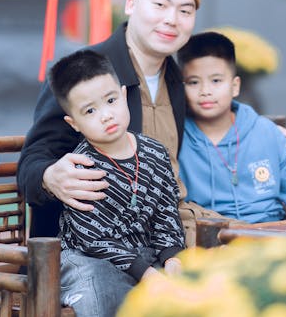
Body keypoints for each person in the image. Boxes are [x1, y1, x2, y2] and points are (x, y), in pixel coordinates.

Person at [17, 0, 286, 242]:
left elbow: (213, 108)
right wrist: (50, 176)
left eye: (185, 11)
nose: (172, 19)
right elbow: (33, 158)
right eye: (160, 5)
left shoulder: (177, 79)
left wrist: (267, 132)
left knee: (267, 249)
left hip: (172, 224)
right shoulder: (83, 74)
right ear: (130, 5)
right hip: (102, 239)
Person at [49, 49, 185, 317]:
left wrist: (172, 257)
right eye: (90, 110)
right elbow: (93, 238)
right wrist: (145, 273)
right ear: (73, 123)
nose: (106, 115)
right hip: (86, 259)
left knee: (185, 287)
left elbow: (166, 214)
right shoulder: (81, 168)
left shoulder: (155, 153)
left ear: (124, 95)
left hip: (142, 256)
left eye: (111, 100)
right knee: (101, 290)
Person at [177, 31, 286, 223]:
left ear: (235, 86)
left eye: (216, 81)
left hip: (270, 236)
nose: (205, 91)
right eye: (194, 82)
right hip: (209, 240)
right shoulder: (177, 137)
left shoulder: (267, 133)